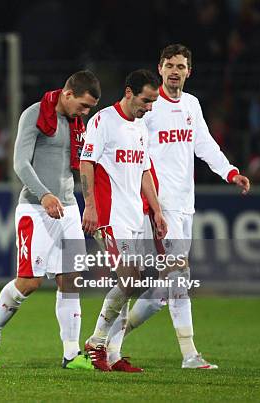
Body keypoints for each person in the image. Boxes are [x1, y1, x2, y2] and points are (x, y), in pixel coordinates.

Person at [105, 44, 251, 369]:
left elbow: (204, 144)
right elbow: (133, 149)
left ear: (189, 71)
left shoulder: (191, 105)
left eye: (180, 66)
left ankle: (107, 342)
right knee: (178, 276)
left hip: (185, 205)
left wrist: (230, 171)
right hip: (160, 206)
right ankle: (189, 355)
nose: (174, 71)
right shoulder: (149, 107)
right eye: (169, 65)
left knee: (160, 293)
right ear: (160, 69)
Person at [0, 71, 101, 370]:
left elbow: (82, 166)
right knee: (30, 282)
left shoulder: (75, 123)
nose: (84, 114)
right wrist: (44, 195)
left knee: (70, 280)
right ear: (68, 93)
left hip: (69, 208)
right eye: (83, 106)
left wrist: (89, 204)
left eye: (89, 109)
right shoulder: (34, 113)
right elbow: (19, 162)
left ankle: (71, 353)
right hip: (35, 208)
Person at [80, 69, 167, 372]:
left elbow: (144, 171)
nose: (149, 107)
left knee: (130, 283)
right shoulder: (103, 121)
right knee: (129, 278)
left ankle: (114, 354)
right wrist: (90, 205)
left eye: (154, 102)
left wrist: (156, 211)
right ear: (129, 93)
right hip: (108, 216)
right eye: (146, 100)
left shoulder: (141, 127)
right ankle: (97, 341)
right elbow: (86, 163)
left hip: (133, 216)